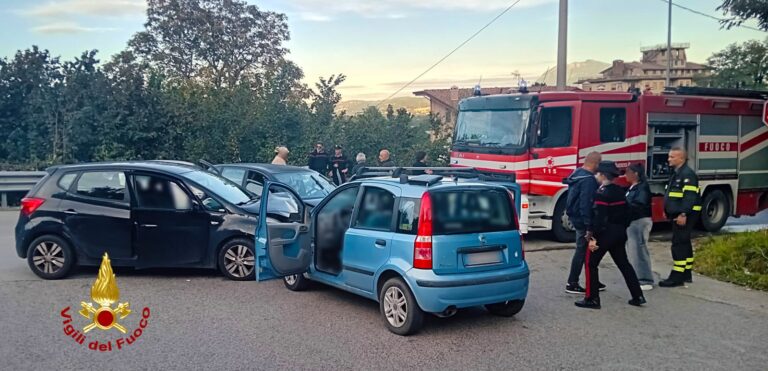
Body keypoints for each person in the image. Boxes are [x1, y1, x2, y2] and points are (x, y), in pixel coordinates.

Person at [575, 161, 645, 309]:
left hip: (605, 233)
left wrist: (593, 237)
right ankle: (637, 295)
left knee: (590, 263)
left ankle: (592, 298)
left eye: (597, 174)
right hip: (620, 232)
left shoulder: (601, 193)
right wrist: (621, 228)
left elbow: (599, 218)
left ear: (602, 175)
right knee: (624, 263)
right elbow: (628, 212)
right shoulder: (620, 191)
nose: (596, 176)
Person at [659, 147, 701, 287]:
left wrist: (683, 214)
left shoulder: (687, 175)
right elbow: (672, 195)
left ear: (681, 159)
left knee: (679, 244)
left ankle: (677, 277)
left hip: (685, 215)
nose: (668, 159)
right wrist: (668, 210)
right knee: (684, 241)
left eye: (672, 157)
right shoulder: (677, 173)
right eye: (669, 156)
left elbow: (689, 197)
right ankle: (686, 273)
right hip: (678, 214)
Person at [563, 151, 603, 294]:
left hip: (575, 216)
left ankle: (592, 280)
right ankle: (572, 282)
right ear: (596, 163)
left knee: (585, 250)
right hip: (582, 219)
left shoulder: (576, 174)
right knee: (582, 250)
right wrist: (589, 226)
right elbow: (586, 203)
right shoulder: (589, 180)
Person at [625, 163, 654, 291]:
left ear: (635, 174)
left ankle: (645, 279)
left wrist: (625, 207)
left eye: (628, 172)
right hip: (633, 222)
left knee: (640, 250)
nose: (626, 175)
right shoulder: (633, 187)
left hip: (639, 221)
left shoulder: (642, 188)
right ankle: (637, 277)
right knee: (634, 251)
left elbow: (640, 204)